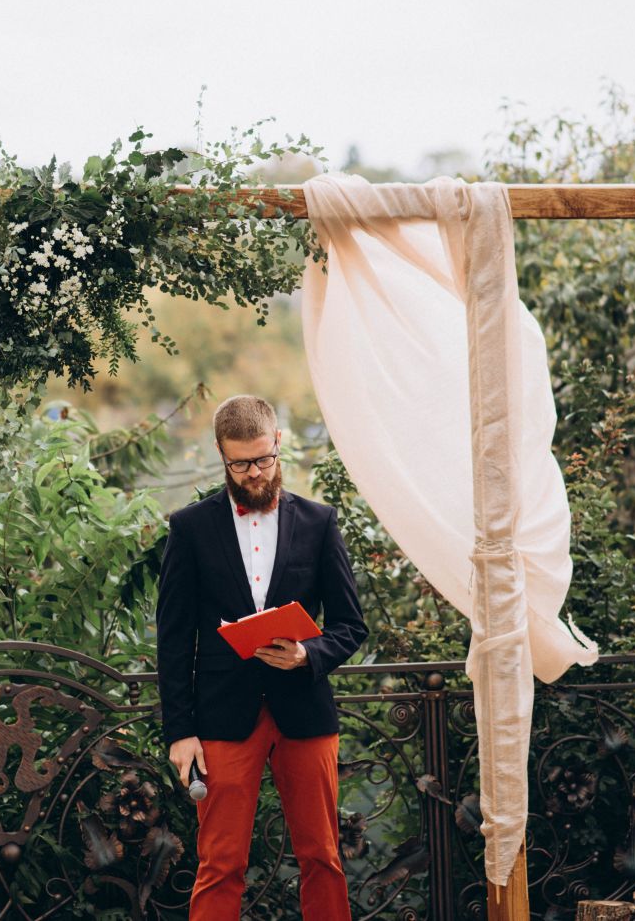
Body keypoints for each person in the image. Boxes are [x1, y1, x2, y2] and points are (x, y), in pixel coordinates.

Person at [155, 394, 368, 921]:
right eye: (241, 463)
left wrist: (307, 654)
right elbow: (174, 638)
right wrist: (180, 731)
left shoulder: (319, 522)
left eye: (264, 459)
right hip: (222, 716)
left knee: (322, 856)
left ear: (278, 443)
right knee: (220, 862)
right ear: (221, 454)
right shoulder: (190, 527)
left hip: (305, 711)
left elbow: (350, 625)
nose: (255, 472)